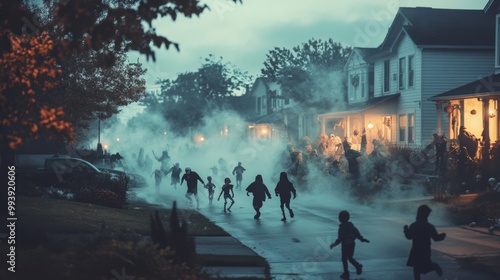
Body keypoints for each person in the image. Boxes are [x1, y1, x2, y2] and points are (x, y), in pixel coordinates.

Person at [404, 204, 446, 280]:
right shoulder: (429, 226)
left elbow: (409, 237)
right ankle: (434, 267)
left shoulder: (414, 225)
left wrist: (406, 230)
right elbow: (436, 238)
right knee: (422, 268)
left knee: (418, 268)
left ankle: (434, 267)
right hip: (425, 250)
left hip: (416, 250)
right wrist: (442, 236)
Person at [329, 210, 369, 279]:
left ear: (341, 218)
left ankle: (346, 273)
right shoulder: (351, 226)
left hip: (345, 245)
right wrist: (362, 239)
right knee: (350, 258)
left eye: (339, 217)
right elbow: (357, 233)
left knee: (344, 259)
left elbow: (340, 238)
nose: (338, 218)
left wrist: (334, 244)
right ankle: (357, 266)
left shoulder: (342, 228)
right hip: (352, 244)